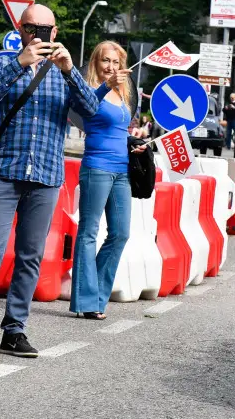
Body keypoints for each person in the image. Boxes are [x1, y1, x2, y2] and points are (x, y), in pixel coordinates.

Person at [0, 4, 100, 357]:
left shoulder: (63, 73)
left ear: (55, 32)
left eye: (44, 29)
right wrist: (21, 63)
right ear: (20, 28)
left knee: (30, 255)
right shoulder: (3, 63)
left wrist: (70, 71)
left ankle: (14, 330)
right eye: (31, 27)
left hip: (45, 175)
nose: (38, 34)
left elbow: (90, 112)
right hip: (2, 170)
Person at [70, 41, 145, 320]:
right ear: (96, 62)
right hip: (97, 167)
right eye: (105, 61)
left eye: (116, 62)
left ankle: (98, 296)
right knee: (89, 232)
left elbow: (117, 129)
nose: (111, 67)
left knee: (120, 233)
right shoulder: (89, 90)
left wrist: (134, 143)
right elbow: (88, 113)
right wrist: (106, 84)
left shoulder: (123, 92)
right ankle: (87, 301)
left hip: (122, 169)